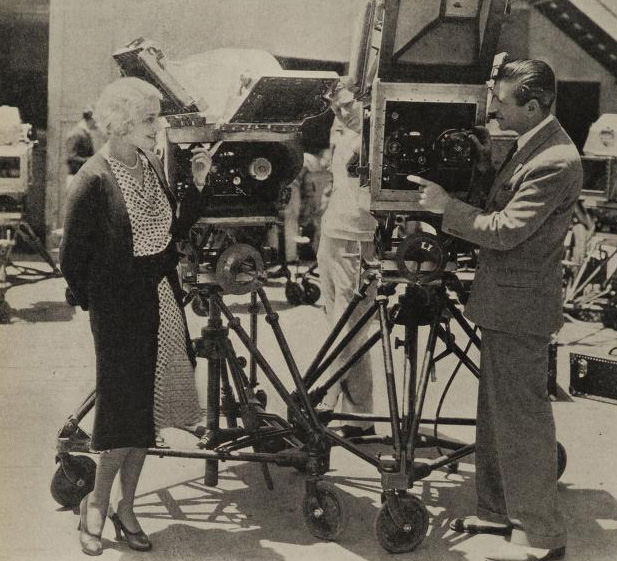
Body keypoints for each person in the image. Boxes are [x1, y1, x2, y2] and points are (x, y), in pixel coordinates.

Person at [417, 59, 582, 561]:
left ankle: (541, 534)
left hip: (521, 306)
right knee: (495, 416)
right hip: (505, 301)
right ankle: (496, 509)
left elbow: (506, 229)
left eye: (502, 103)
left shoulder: (555, 159)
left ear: (533, 106)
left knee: (523, 421)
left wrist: (446, 207)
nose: (493, 110)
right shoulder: (531, 145)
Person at [60, 77, 212, 556]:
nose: (158, 127)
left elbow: (169, 234)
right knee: (121, 417)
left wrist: (201, 187)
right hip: (119, 309)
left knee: (145, 417)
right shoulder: (92, 178)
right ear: (123, 124)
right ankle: (97, 505)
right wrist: (101, 303)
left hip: (162, 302)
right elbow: (71, 260)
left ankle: (126, 508)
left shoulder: (149, 164)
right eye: (150, 119)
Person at [316, 79, 378, 438]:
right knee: (337, 325)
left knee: (350, 328)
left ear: (365, 100)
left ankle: (327, 403)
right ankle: (359, 418)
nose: (342, 113)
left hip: (360, 238)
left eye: (347, 104)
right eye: (336, 108)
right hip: (333, 233)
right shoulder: (341, 134)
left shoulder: (375, 137)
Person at [66, 107, 98, 175]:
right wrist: (91, 160)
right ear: (90, 120)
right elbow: (71, 157)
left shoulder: (85, 133)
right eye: (95, 120)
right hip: (75, 175)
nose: (96, 123)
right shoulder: (76, 133)